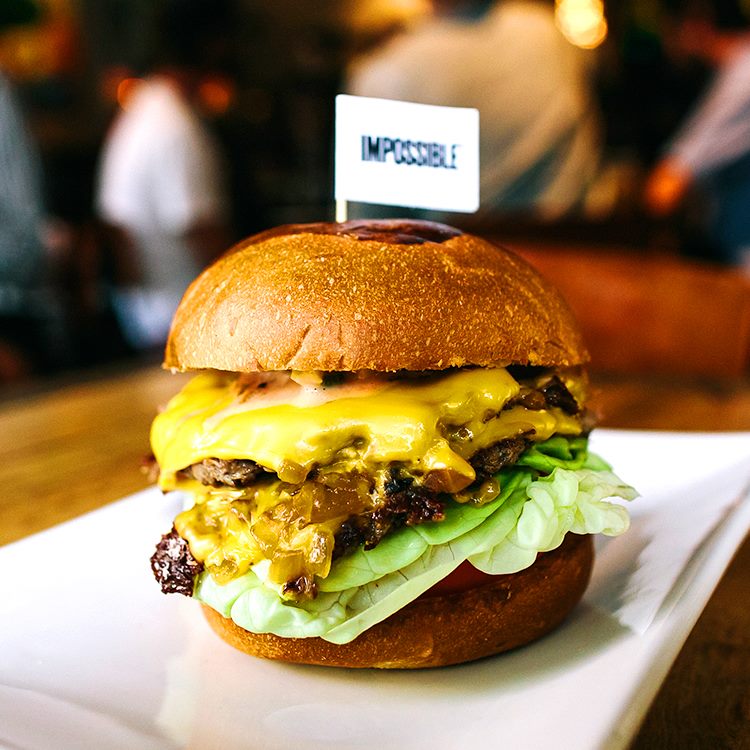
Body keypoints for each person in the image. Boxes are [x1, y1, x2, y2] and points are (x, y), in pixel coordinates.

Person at [346, 0, 603, 221]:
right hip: (574, 250)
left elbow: (370, 228)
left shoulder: (384, 77)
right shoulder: (550, 36)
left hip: (450, 260)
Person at [96, 0, 234, 352]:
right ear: (212, 44)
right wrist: (245, 297)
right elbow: (199, 227)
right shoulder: (174, 125)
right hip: (175, 320)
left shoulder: (143, 107)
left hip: (143, 313)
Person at [645, 0, 750, 269]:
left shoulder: (744, 74)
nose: (664, 42)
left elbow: (666, 186)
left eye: (667, 28)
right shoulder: (735, 67)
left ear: (695, 22)